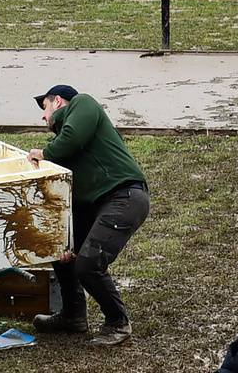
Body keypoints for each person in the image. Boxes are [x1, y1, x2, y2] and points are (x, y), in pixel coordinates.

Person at [25, 85, 150, 347]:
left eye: (45, 108)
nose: (43, 117)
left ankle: (118, 322)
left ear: (58, 101)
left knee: (88, 264)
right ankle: (73, 316)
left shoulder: (83, 103)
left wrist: (45, 153)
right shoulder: (67, 148)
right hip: (99, 204)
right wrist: (72, 240)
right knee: (61, 248)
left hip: (124, 196)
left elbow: (71, 136)